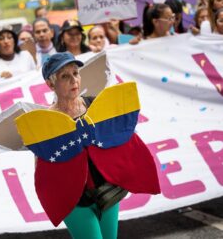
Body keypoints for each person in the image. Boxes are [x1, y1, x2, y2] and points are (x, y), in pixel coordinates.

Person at [15, 52, 161, 239]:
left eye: (75, 73)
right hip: (74, 200)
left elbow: (123, 140)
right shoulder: (46, 122)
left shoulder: (96, 106)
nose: (73, 80)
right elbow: (44, 167)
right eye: (65, 76)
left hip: (108, 191)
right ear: (51, 84)